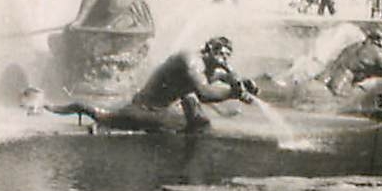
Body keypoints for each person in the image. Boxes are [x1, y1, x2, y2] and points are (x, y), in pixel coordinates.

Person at [48, 36, 257, 133]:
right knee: (102, 116)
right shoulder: (190, 61)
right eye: (220, 53)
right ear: (209, 50)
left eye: (227, 56)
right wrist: (233, 93)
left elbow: (226, 77)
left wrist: (243, 84)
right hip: (145, 111)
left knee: (199, 124)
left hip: (161, 110)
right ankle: (71, 108)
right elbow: (203, 92)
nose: (224, 59)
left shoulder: (211, 66)